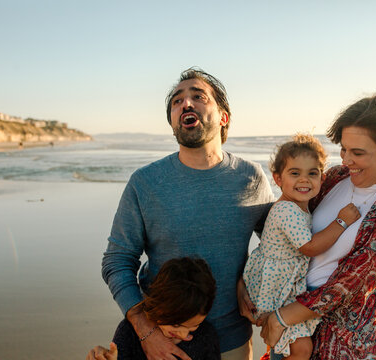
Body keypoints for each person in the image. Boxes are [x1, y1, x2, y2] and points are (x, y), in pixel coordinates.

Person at [101, 68, 274, 360]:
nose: (186, 103)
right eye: (177, 101)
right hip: (163, 343)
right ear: (172, 121)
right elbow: (117, 261)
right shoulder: (146, 182)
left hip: (231, 341)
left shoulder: (250, 177)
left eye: (198, 96)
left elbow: (276, 246)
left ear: (223, 117)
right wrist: (146, 331)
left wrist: (250, 282)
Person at [260, 94, 376, 360]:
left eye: (358, 153)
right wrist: (254, 286)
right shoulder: (335, 178)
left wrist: (283, 317)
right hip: (294, 325)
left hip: (347, 340)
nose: (346, 160)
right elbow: (287, 226)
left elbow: (357, 278)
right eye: (343, 149)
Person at [243, 134, 360, 359]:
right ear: (277, 179)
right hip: (277, 287)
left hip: (283, 283)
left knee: (289, 345)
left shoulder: (299, 205)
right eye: (295, 173)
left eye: (312, 173)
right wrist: (341, 221)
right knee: (301, 347)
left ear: (322, 179)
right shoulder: (286, 210)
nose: (304, 180)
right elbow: (310, 247)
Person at [87, 257, 220, 360]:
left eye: (193, 326)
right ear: (159, 305)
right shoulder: (129, 332)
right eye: (175, 325)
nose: (184, 334)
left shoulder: (206, 336)